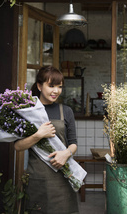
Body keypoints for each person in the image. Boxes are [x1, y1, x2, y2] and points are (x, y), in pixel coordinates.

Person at [14, 66, 79, 214]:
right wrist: (39, 135)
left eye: (59, 87)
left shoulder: (66, 111)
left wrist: (66, 153)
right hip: (38, 179)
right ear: (39, 86)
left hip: (63, 177)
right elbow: (18, 146)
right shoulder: (28, 112)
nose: (56, 91)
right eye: (51, 86)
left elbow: (74, 143)